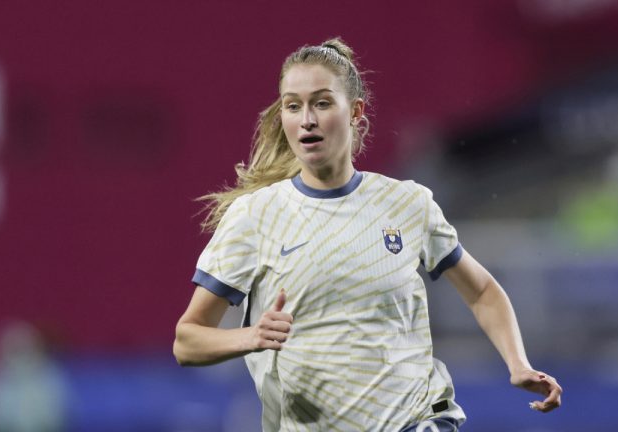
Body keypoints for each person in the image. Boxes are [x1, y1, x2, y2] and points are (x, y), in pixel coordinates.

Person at [173, 37, 562, 432]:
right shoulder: (255, 216)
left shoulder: (408, 203)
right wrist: (250, 336)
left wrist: (518, 364)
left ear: (355, 111)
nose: (307, 119)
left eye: (322, 103)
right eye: (293, 106)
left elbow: (481, 291)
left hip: (417, 421)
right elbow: (188, 341)